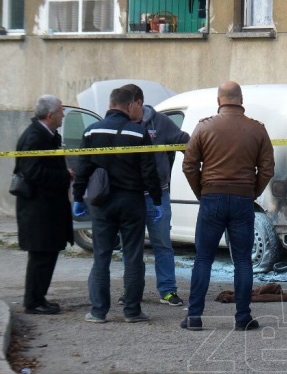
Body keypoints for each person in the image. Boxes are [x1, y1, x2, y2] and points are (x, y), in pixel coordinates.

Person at [180, 81, 274, 331]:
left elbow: (189, 165)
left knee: (203, 259)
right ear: (241, 100)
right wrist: (252, 191)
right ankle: (243, 317)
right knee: (243, 261)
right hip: (243, 200)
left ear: (219, 100)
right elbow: (267, 169)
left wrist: (202, 192)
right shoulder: (257, 129)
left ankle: (194, 317)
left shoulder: (204, 127)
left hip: (212, 198)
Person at [72, 87, 164, 323]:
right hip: (132, 202)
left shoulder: (92, 131)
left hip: (102, 203)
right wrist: (156, 200)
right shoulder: (138, 131)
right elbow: (149, 171)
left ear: (110, 104)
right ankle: (132, 311)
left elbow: (83, 167)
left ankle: (98, 311)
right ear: (129, 105)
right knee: (132, 256)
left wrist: (78, 197)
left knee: (101, 256)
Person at [118, 83, 190, 307]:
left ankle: (168, 291)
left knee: (162, 244)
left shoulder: (160, 123)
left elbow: (185, 141)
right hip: (129, 197)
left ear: (138, 103)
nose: (124, 109)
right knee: (131, 246)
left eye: (128, 105)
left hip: (157, 196)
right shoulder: (120, 122)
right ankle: (132, 291)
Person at [15, 95, 73, 315]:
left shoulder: (46, 135)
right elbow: (32, 172)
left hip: (47, 209)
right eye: (60, 110)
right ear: (50, 115)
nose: (63, 114)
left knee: (46, 254)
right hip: (38, 210)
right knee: (41, 256)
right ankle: (33, 301)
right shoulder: (34, 137)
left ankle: (38, 298)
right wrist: (64, 175)